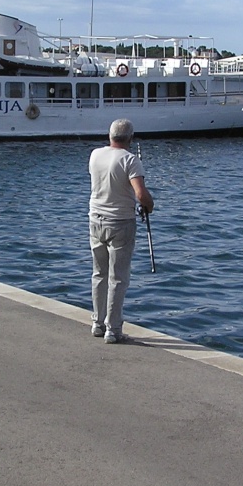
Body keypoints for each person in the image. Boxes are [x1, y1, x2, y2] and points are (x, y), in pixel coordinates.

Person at [88, 118, 154, 344]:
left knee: (99, 274)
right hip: (121, 223)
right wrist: (150, 206)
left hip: (95, 220)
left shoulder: (95, 154)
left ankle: (97, 323)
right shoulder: (130, 160)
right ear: (130, 138)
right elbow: (141, 195)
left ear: (110, 135)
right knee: (118, 278)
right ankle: (113, 330)